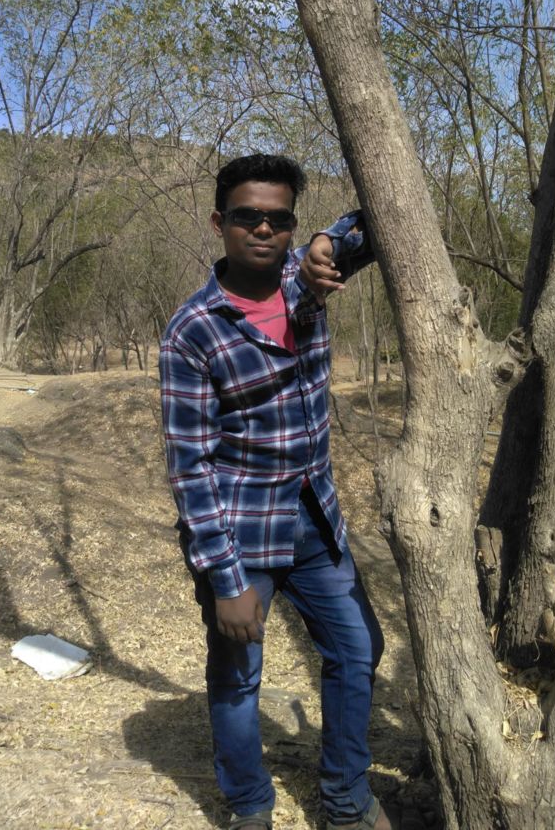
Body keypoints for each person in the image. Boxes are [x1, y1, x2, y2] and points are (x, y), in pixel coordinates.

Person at [159, 153, 393, 830]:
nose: (263, 229)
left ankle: (345, 799)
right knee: (238, 677)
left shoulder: (305, 278)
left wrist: (326, 238)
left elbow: (385, 217)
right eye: (247, 217)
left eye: (279, 219)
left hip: (314, 516)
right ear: (219, 222)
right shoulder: (193, 330)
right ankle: (250, 806)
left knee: (358, 648)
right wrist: (225, 578)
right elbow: (190, 466)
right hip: (239, 531)